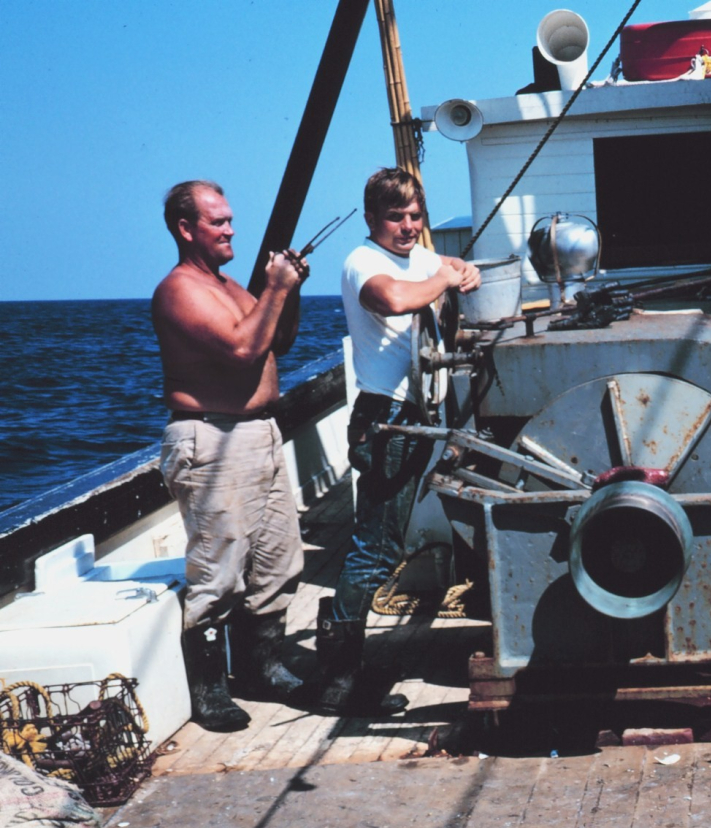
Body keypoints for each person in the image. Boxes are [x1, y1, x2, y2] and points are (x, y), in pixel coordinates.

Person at [319, 167, 480, 715]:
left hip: (412, 413)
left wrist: (465, 271)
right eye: (395, 217)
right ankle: (340, 681)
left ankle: (341, 668)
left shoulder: (418, 258)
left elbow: (453, 268)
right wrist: (445, 278)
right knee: (374, 548)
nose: (408, 226)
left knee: (383, 546)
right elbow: (391, 300)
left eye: (415, 216)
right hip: (383, 417)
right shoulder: (363, 261)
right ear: (371, 219)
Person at [152, 180, 310, 731]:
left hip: (260, 435)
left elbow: (276, 341)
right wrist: (273, 287)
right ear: (185, 228)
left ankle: (262, 668)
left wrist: (286, 291)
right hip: (213, 441)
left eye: (229, 219)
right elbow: (244, 350)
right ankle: (210, 691)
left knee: (276, 561)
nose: (230, 229)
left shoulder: (230, 286)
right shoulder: (180, 289)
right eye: (217, 221)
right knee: (217, 575)